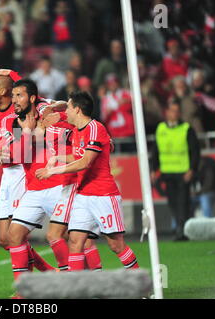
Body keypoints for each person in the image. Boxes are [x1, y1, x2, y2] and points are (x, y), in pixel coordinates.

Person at [36, 91, 140, 271]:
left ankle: (141, 284)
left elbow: (84, 162)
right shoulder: (77, 131)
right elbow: (75, 156)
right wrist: (56, 158)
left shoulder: (95, 129)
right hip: (83, 195)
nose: (66, 111)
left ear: (77, 109)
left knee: (116, 245)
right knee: (76, 241)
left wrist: (52, 171)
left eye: (68, 107)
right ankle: (80, 290)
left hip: (103, 195)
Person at [0, 71, 54, 273]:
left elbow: (34, 94)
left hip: (23, 170)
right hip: (7, 174)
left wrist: (11, 73)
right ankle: (48, 271)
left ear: (4, 90)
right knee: (4, 240)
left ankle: (30, 284)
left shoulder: (22, 107)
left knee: (17, 235)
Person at [151, 101, 201, 241]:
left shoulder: (186, 128)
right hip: (167, 172)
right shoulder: (160, 128)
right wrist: (154, 169)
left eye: (177, 111)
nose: (174, 114)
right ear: (167, 112)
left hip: (182, 172)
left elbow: (195, 151)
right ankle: (180, 228)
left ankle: (182, 230)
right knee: (172, 202)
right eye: (172, 111)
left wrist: (192, 169)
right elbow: (155, 151)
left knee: (183, 202)